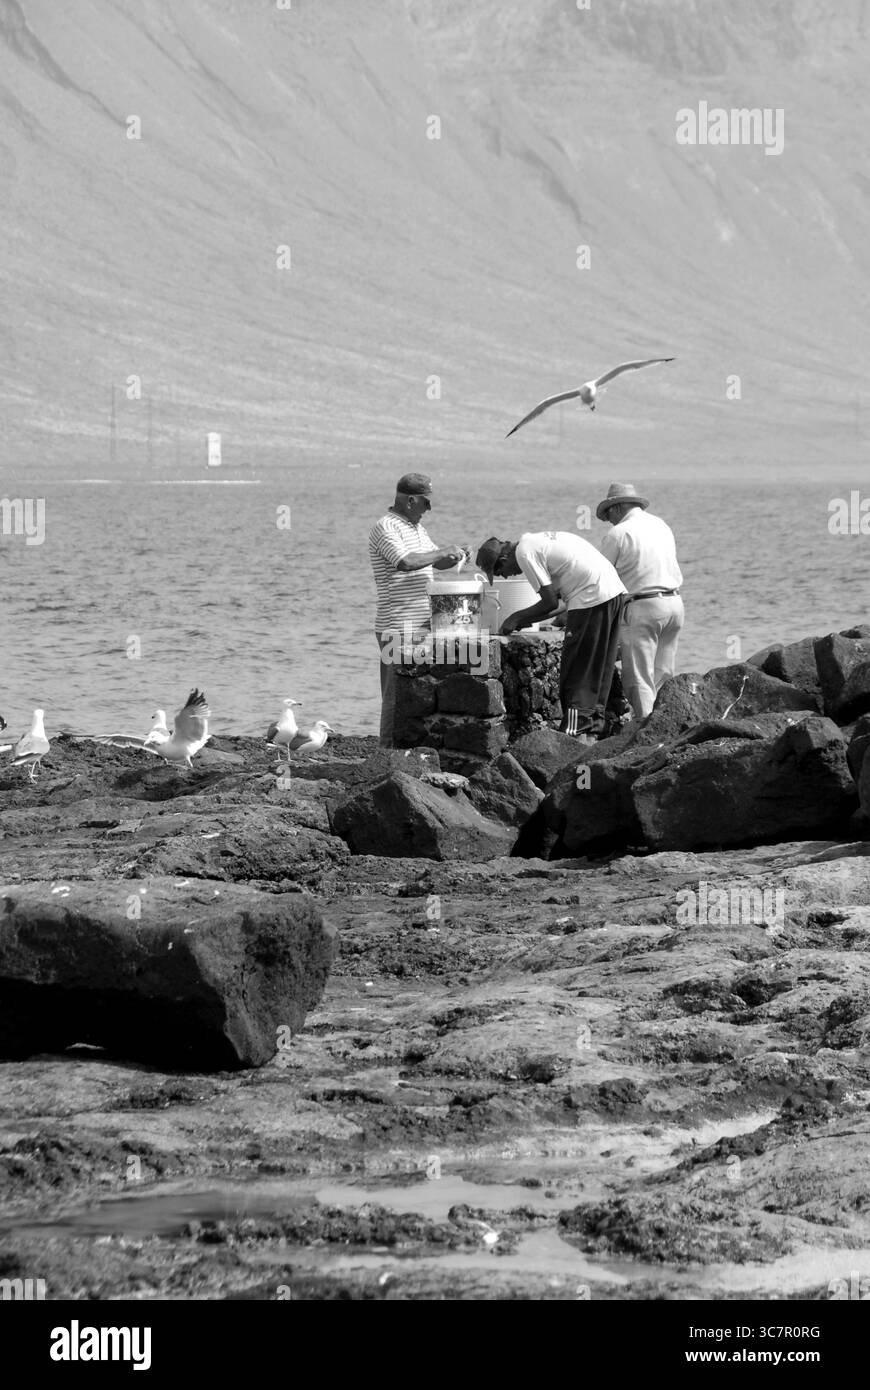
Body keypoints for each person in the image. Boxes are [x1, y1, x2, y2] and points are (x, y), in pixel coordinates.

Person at [476, 530, 626, 740]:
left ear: (504, 558)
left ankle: (574, 734)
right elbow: (560, 602)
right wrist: (530, 619)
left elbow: (550, 603)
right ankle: (595, 728)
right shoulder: (537, 542)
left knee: (576, 669)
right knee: (599, 666)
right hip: (612, 593)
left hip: (592, 596)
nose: (506, 576)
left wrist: (516, 617)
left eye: (499, 571)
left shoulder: (524, 553)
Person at [369, 474, 465, 746]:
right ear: (411, 500)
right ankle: (386, 751)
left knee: (414, 691)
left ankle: (404, 749)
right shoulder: (386, 527)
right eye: (426, 502)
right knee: (395, 694)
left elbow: (434, 562)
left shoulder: (417, 529)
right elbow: (406, 562)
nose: (429, 509)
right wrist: (442, 552)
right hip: (397, 625)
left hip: (421, 624)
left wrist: (457, 555)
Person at [596, 482, 684, 719]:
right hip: (674, 604)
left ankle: (646, 730)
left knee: (638, 677)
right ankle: (668, 722)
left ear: (616, 508)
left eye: (608, 515)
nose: (609, 521)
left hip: (642, 606)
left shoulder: (618, 534)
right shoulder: (661, 525)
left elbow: (598, 578)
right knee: (663, 672)